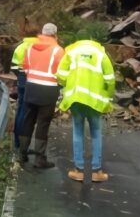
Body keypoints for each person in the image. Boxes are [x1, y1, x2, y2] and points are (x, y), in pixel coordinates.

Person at [56, 39, 115, 183]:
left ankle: (78, 170)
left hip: (76, 100)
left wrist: (69, 84)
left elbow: (60, 75)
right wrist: (107, 98)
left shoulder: (71, 52)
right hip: (95, 102)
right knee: (96, 134)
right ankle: (97, 171)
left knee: (78, 132)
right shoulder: (101, 54)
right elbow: (110, 79)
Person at [18, 23, 63, 168]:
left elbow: (25, 68)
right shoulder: (58, 50)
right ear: (55, 35)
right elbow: (62, 74)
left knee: (28, 120)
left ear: (42, 34)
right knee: (43, 124)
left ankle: (22, 154)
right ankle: (39, 159)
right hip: (48, 91)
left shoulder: (30, 48)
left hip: (31, 89)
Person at [11, 35, 38, 152]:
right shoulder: (38, 48)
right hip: (33, 83)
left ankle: (17, 142)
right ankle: (24, 147)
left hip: (22, 82)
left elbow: (13, 67)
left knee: (20, 111)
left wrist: (21, 78)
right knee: (29, 115)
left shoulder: (20, 48)